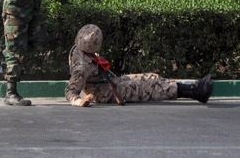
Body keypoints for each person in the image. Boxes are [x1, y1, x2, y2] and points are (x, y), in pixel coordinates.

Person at [65, 24, 213, 106]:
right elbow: (71, 92)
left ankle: (194, 89)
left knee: (151, 78)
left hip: (111, 83)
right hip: (105, 93)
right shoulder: (81, 67)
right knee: (152, 87)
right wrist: (80, 102)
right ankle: (196, 92)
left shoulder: (81, 49)